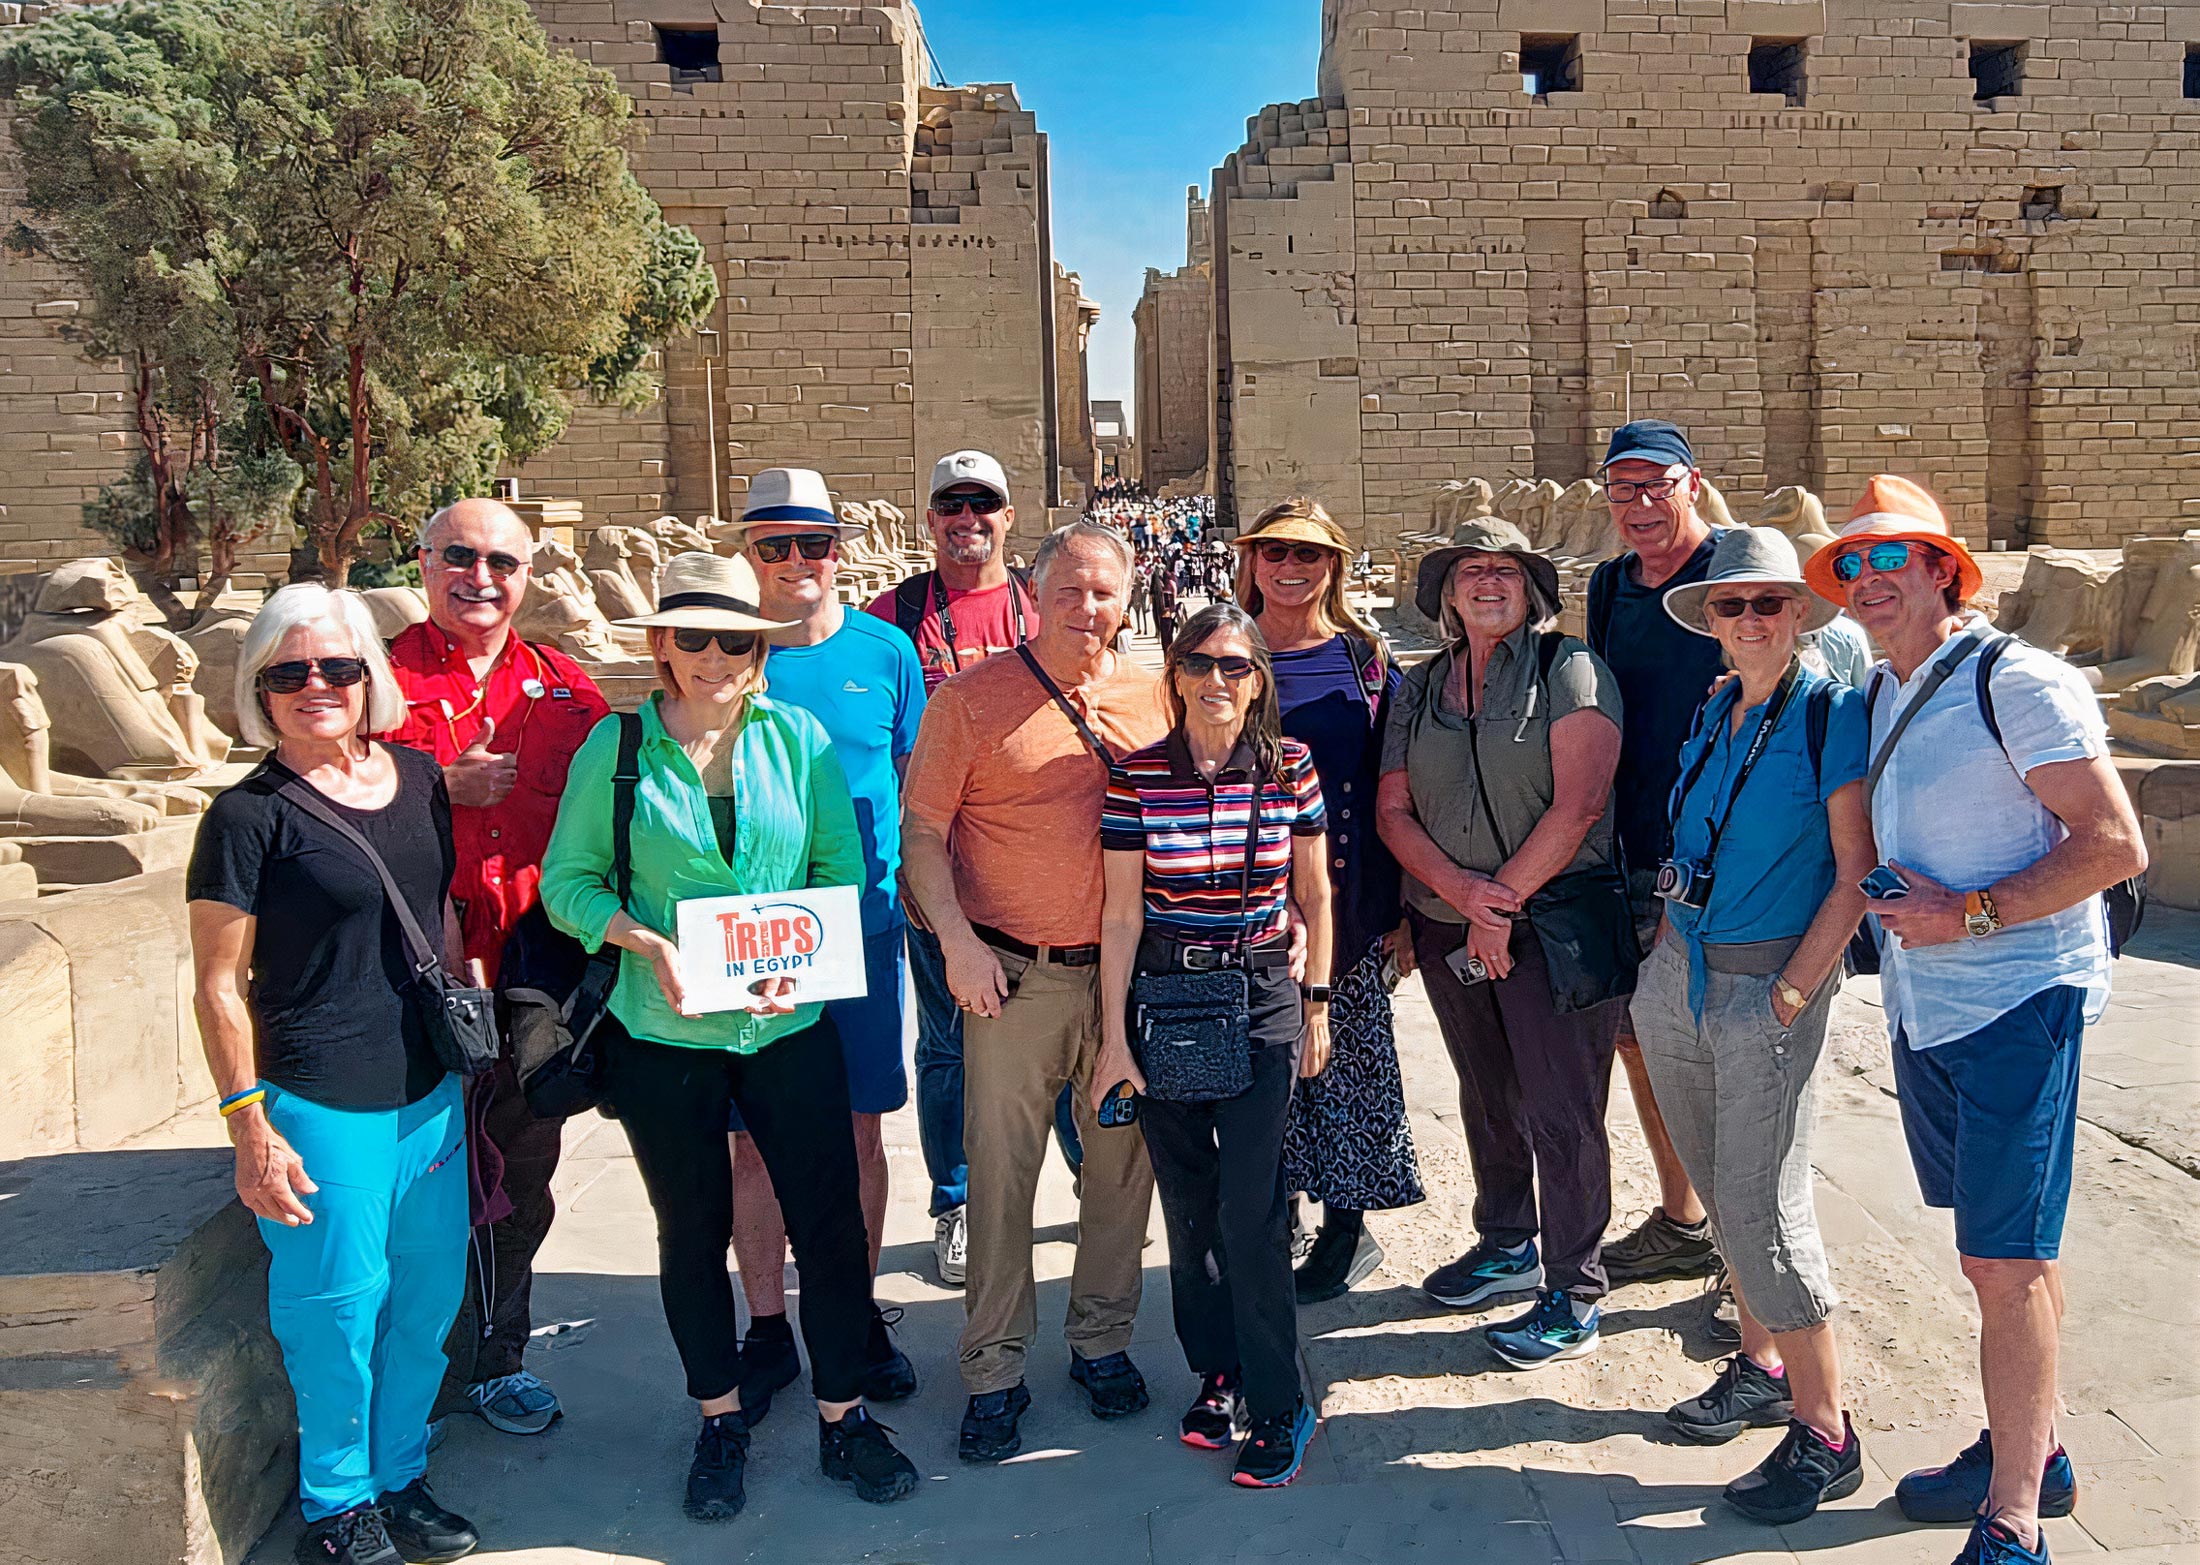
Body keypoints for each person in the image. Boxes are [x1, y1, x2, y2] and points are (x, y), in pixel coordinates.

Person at [540, 552, 919, 1524]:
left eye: (735, 638)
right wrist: (639, 938)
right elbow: (569, 883)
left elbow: (838, 862)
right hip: (663, 1030)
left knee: (828, 1224)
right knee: (691, 1228)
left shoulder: (794, 738)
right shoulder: (616, 747)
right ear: (662, 645)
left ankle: (844, 1411)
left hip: (783, 1021)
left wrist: (804, 942)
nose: (715, 656)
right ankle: (719, 1417)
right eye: (695, 636)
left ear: (758, 649)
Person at [1810, 477, 2146, 1565]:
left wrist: (1969, 913)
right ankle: (2030, 1443)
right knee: (2002, 1253)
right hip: (1929, 1003)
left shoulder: (2020, 678)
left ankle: (2011, 1517)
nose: (1866, 581)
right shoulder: (1878, 689)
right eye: (1850, 566)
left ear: (1943, 568)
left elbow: (2112, 843)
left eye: (1889, 560)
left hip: (2017, 997)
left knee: (2003, 1259)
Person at [188, 583, 480, 1565]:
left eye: (338, 667)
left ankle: (399, 1474)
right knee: (336, 1313)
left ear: (372, 677)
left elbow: (436, 919)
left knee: (427, 1302)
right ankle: (338, 1500)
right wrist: (247, 1124)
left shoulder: (418, 778)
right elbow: (218, 983)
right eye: (288, 672)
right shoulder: (245, 816)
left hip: (426, 1092)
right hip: (318, 1099)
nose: (316, 685)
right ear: (259, 689)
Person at [901, 519, 1167, 1464]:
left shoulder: (1155, 694)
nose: (1086, 607)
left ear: (1126, 600)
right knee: (1003, 1177)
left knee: (1119, 1172)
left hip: (1125, 980)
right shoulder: (971, 702)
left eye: (1103, 591)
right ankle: (993, 1366)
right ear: (1034, 591)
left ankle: (1101, 1340)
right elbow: (923, 835)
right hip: (1010, 978)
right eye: (1069, 588)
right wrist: (958, 944)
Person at [1628, 528, 1875, 1523]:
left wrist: (1791, 991)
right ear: (1711, 624)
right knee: (1726, 1191)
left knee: (1766, 1209)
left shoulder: (1827, 715)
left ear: (1799, 613)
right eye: (1730, 606)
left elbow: (1855, 874)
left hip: (1764, 980)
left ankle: (1826, 1430)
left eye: (1767, 603)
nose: (1749, 621)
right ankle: (1759, 1360)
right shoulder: (1715, 706)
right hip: (1679, 969)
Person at [373, 497, 609, 1442]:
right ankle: (416, 1365)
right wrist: (435, 783)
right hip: (412, 973)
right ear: (425, 562)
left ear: (527, 573)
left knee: (523, 1167)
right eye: (459, 557)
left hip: (526, 976)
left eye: (501, 562)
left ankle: (499, 1353)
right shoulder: (370, 682)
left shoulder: (562, 688)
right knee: (419, 1179)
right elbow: (312, 804)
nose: (481, 577)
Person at [1376, 520, 1629, 1368]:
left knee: (1562, 1104)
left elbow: (1580, 803)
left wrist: (1503, 901)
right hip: (1453, 920)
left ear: (1532, 590)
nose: (1488, 583)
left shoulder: (1571, 671)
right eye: (1470, 571)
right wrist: (1465, 898)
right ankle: (1507, 1238)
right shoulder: (1419, 688)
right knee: (1487, 1090)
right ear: (1446, 592)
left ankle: (1574, 1283)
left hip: (1551, 924)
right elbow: (1393, 810)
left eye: (1505, 572)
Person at [1094, 603, 1333, 1488]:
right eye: (1202, 663)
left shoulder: (1291, 767)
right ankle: (1219, 1372)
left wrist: (1316, 1003)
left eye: (1237, 666)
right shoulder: (1136, 776)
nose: (1219, 680)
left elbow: (1315, 893)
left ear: (1259, 679)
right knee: (1188, 1209)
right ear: (1178, 674)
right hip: (1168, 993)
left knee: (1252, 1209)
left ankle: (1279, 1400)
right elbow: (1121, 912)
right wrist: (1113, 1039)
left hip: (1264, 992)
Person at [726, 470, 925, 1416]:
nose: (798, 560)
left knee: (858, 1132)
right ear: (748, 551)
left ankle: (851, 1309)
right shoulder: (721, 650)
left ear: (838, 547)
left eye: (815, 542)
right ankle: (767, 1325)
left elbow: (918, 786)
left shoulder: (887, 651)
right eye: (776, 544)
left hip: (862, 922)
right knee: (754, 1145)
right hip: (751, 933)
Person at [1230, 499, 1424, 1304]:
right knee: (1262, 1068)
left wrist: (1406, 908)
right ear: (1252, 561)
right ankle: (1281, 1215)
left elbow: (1402, 786)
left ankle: (1348, 1225)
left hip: (1344, 899)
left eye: (1308, 553)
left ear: (1333, 567)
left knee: (1343, 1068)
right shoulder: (1226, 650)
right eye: (1274, 550)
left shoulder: (1367, 660)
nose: (1290, 565)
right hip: (1242, 903)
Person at [867, 449, 1038, 1287]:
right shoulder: (892, 614)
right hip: (935, 868)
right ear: (929, 518)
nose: (967, 518)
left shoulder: (1043, 607)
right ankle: (957, 1201)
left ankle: (1091, 1177)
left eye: (983, 504)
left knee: (1063, 1037)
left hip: (1038, 868)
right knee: (945, 1048)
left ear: (1009, 517)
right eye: (950, 505)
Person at [1582, 420, 1731, 1296]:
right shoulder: (1610, 585)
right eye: (1621, 490)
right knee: (1644, 1044)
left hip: (1724, 858)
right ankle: (1684, 1220)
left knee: (1737, 1062)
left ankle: (1749, 1275)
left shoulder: (1734, 579)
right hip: (1635, 849)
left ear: (1692, 483)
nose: (1638, 506)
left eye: (1654, 486)